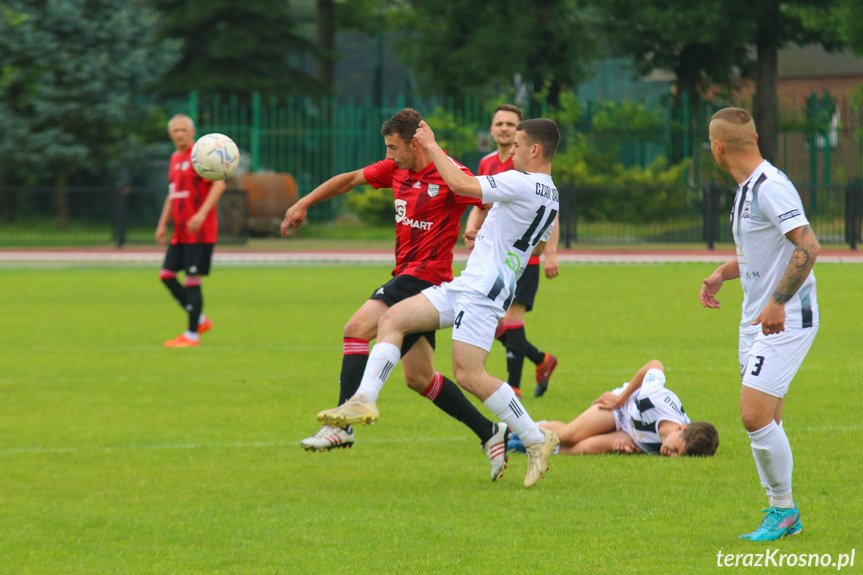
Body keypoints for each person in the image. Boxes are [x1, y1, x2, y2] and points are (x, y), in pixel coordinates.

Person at [318, 118, 563, 488]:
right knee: (395, 319)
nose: (510, 152)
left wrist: (432, 146)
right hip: (470, 283)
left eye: (517, 145)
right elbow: (540, 245)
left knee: (469, 374)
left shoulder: (521, 181)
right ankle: (364, 399)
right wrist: (496, 236)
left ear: (535, 150)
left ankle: (534, 437)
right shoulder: (551, 193)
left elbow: (463, 184)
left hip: (483, 290)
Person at [282, 108, 511, 481]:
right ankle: (490, 432)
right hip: (410, 277)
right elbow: (349, 180)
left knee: (356, 328)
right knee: (419, 378)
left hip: (427, 277)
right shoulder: (396, 170)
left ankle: (343, 424)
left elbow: (492, 202)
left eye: (393, 147)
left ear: (416, 143)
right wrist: (303, 203)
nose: (389, 155)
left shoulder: (450, 173)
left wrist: (481, 238)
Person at [700, 107, 820, 541]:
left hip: (785, 319)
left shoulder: (771, 187)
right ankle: (782, 510)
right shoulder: (748, 188)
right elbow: (762, 252)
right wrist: (722, 273)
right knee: (768, 417)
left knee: (753, 415)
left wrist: (777, 302)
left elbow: (808, 245)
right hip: (757, 321)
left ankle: (784, 511)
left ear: (718, 147)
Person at [465, 104, 559, 398]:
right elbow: (480, 203)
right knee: (496, 322)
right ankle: (541, 360)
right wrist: (475, 232)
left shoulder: (528, 169)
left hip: (524, 257)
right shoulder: (487, 163)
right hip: (495, 255)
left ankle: (513, 388)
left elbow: (549, 213)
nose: (505, 128)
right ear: (491, 129)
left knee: (512, 318)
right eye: (500, 123)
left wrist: (551, 252)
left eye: (511, 124)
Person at [506, 360, 719, 457]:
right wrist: (620, 398)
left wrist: (630, 451)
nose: (670, 455)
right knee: (568, 435)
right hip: (622, 408)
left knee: (584, 449)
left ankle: (527, 448)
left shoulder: (671, 443)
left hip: (632, 434)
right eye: (675, 450)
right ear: (681, 428)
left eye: (677, 456)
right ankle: (517, 430)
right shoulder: (655, 398)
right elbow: (654, 365)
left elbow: (649, 446)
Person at [156, 114, 227, 348]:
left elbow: (219, 184)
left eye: (183, 129)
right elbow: (172, 193)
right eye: (175, 130)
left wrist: (201, 214)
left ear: (193, 131)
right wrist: (162, 223)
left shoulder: (201, 156)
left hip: (200, 231)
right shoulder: (175, 158)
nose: (180, 134)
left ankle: (192, 334)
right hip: (180, 232)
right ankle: (201, 320)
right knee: (166, 275)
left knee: (192, 280)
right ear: (170, 134)